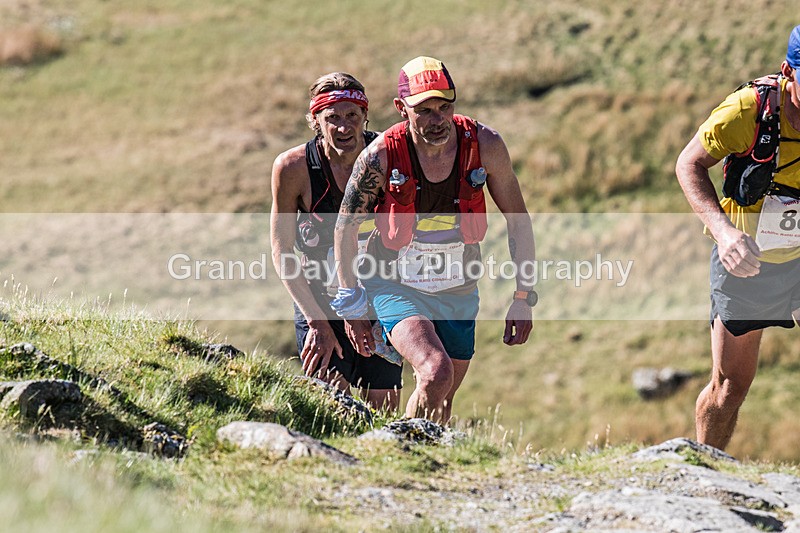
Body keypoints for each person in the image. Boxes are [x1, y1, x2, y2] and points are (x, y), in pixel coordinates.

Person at [333, 57, 537, 423]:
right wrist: (352, 303)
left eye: (445, 107)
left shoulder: (485, 145)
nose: (437, 119)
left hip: (457, 287)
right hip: (392, 281)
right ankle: (402, 452)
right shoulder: (380, 157)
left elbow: (518, 220)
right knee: (435, 371)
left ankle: (414, 461)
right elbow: (345, 229)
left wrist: (523, 297)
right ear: (401, 109)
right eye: (424, 110)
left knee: (442, 398)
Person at [675, 26, 800, 451]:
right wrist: (723, 232)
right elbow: (689, 164)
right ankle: (708, 470)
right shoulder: (749, 110)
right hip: (748, 262)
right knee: (729, 388)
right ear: (788, 72)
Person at [270, 72, 401, 411]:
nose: (344, 128)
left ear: (365, 117)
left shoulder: (387, 156)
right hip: (318, 304)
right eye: (332, 118)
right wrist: (317, 322)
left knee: (383, 411)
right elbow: (282, 250)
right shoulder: (293, 168)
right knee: (333, 405)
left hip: (380, 298)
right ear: (316, 120)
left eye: (352, 117)